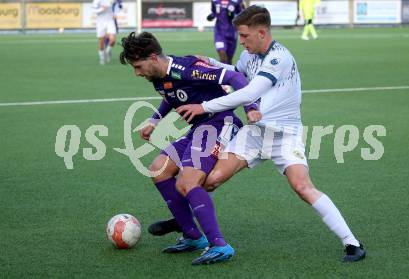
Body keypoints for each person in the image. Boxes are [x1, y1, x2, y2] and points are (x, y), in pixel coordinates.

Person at [174, 5, 366, 262]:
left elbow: (249, 93)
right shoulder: (250, 56)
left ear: (261, 33)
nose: (240, 42)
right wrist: (212, 63)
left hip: (284, 135)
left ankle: (352, 243)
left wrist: (203, 107)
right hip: (254, 134)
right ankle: (186, 225)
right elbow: (235, 74)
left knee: (302, 186)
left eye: (244, 36)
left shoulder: (279, 58)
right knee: (209, 181)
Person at [119, 31, 261, 265]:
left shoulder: (187, 69)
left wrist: (251, 108)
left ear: (153, 58)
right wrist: (155, 120)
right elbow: (170, 95)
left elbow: (235, 78)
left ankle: (220, 245)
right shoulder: (158, 76)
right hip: (198, 129)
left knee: (187, 181)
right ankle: (193, 236)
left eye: (138, 66)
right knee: (159, 169)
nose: (137, 73)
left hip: (219, 124)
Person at [206, 0, 245, 64]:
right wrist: (211, 16)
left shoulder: (237, 1)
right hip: (219, 33)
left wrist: (233, 15)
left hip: (232, 33)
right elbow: (214, 12)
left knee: (229, 60)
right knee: (222, 55)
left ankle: (228, 72)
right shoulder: (215, 1)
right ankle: (222, 72)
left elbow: (242, 14)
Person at [93, 0, 118, 65]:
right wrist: (102, 8)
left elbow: (116, 5)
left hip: (110, 21)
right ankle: (102, 59)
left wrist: (115, 13)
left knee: (113, 40)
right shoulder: (97, 1)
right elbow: (94, 10)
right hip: (100, 22)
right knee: (101, 43)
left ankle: (107, 51)